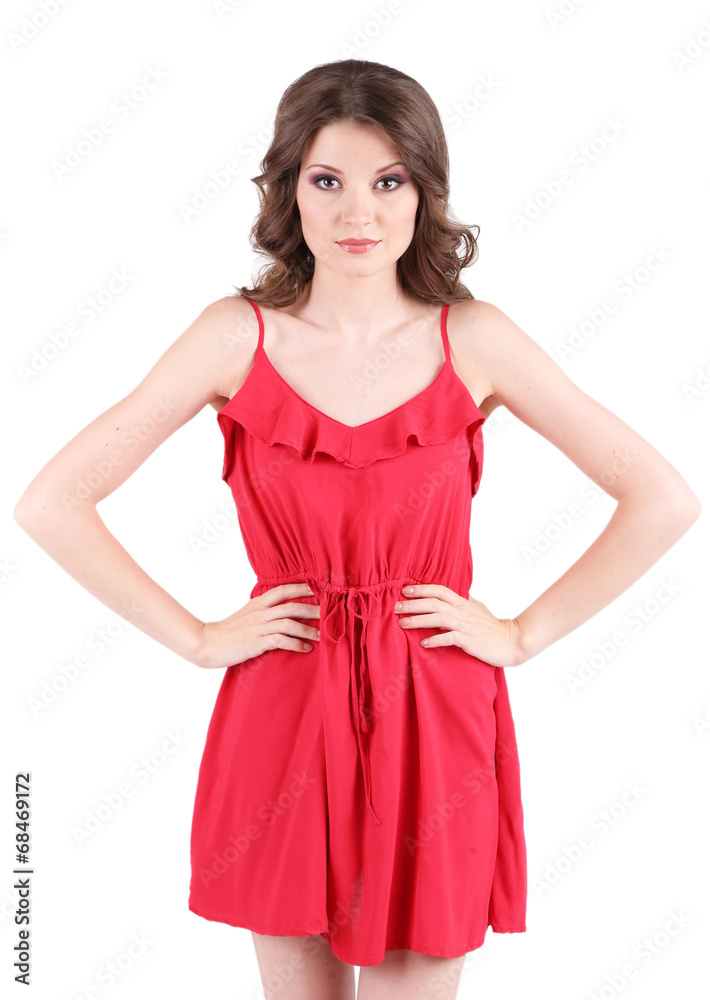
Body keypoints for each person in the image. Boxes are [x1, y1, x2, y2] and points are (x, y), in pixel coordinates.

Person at [14, 58, 701, 1000]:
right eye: (326, 181)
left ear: (424, 191)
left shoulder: (476, 337)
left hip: (435, 708)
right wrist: (201, 638)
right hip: (286, 696)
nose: (357, 215)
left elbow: (661, 496)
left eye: (388, 182)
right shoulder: (235, 335)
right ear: (287, 189)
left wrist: (520, 633)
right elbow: (52, 501)